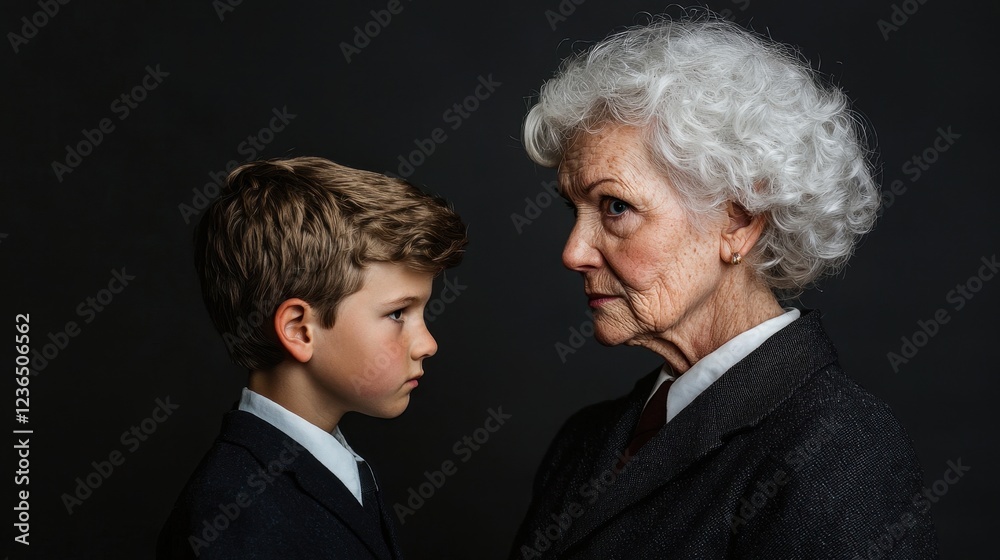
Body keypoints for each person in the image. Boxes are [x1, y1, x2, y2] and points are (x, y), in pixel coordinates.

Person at [510, 16, 939, 560]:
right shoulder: (585, 440)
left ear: (737, 222)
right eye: (575, 209)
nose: (573, 251)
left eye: (616, 207)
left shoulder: (841, 448)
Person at [156, 157, 467, 559]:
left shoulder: (326, 469)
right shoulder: (232, 515)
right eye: (397, 313)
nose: (427, 344)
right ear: (300, 329)